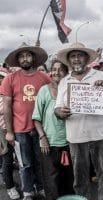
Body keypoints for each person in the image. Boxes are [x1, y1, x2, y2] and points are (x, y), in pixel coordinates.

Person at [54, 42, 103, 200]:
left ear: (86, 58)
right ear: (69, 61)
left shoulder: (100, 75)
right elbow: (57, 108)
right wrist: (59, 112)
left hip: (101, 134)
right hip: (76, 137)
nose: (76, 59)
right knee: (80, 177)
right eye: (73, 56)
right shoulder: (64, 82)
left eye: (79, 55)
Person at [1, 42, 51, 200]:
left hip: (41, 129)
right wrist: (9, 132)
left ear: (34, 58)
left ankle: (42, 188)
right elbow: (7, 106)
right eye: (21, 56)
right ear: (17, 60)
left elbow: (52, 99)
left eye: (28, 55)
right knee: (25, 164)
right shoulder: (10, 79)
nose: (25, 58)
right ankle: (28, 191)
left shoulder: (44, 77)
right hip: (20, 130)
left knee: (40, 162)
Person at [32, 60, 74, 200]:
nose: (56, 72)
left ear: (66, 73)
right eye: (54, 69)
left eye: (60, 69)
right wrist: (42, 138)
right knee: (51, 182)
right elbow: (36, 118)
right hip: (49, 144)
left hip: (69, 143)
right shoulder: (44, 91)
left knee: (68, 181)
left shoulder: (72, 90)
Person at [0, 68, 20, 200]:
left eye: (2, 77)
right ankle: (10, 187)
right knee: (6, 160)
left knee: (21, 159)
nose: (1, 80)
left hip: (17, 129)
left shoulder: (13, 93)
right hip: (2, 132)